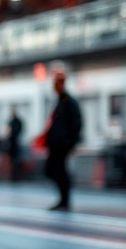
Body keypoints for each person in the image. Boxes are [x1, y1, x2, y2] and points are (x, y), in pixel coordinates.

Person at [44, 70, 83, 210]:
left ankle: (64, 200)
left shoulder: (68, 102)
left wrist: (70, 141)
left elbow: (77, 123)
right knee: (52, 170)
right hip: (55, 144)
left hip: (62, 144)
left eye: (56, 83)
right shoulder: (60, 102)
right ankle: (63, 199)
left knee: (59, 170)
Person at [6, 107, 24, 182]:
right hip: (12, 142)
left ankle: (15, 175)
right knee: (13, 159)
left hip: (15, 142)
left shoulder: (15, 121)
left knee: (15, 159)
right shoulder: (12, 121)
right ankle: (13, 175)